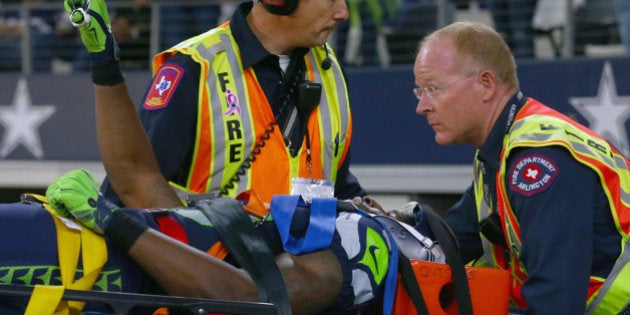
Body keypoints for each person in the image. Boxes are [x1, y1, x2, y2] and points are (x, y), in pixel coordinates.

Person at [60, 0, 394, 312]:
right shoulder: (194, 68)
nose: (343, 13)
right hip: (202, 297)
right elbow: (133, 188)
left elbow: (336, 185)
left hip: (296, 293)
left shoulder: (332, 71)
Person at [413, 21, 630, 313]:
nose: (422, 106)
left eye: (433, 88)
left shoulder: (539, 157)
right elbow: (448, 242)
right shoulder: (500, 153)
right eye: (420, 92)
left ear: (486, 84)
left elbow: (555, 301)